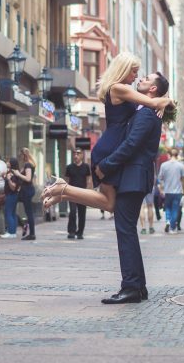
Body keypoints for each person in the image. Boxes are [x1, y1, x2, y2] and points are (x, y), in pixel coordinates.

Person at [42, 53, 173, 211]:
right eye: (134, 71)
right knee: (109, 204)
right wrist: (167, 101)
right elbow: (152, 102)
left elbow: (150, 103)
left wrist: (163, 103)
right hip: (109, 148)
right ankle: (65, 189)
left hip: (111, 145)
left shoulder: (120, 89)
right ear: (123, 70)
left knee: (109, 204)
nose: (136, 76)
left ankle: (64, 193)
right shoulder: (119, 88)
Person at [95, 72, 170, 304]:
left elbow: (130, 145)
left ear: (153, 90)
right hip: (134, 178)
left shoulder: (147, 114)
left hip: (134, 178)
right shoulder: (146, 109)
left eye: (146, 78)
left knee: (125, 231)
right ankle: (138, 287)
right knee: (128, 231)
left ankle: (131, 287)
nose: (141, 79)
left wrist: (105, 166)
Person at [157, 149, 184, 234]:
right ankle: (172, 227)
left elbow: (160, 178)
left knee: (167, 207)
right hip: (177, 192)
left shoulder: (164, 165)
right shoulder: (180, 165)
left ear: (169, 155)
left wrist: (161, 188)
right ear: (177, 155)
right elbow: (183, 180)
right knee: (175, 209)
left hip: (167, 191)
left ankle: (168, 221)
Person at [65, 148, 92, 240]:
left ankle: (80, 232)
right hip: (72, 193)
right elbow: (67, 181)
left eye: (78, 153)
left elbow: (88, 180)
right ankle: (71, 231)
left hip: (83, 193)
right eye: (74, 153)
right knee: (72, 212)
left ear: (82, 155)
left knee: (82, 213)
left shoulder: (86, 167)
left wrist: (88, 191)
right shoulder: (69, 167)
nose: (75, 155)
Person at [14, 147, 37, 240]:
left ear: (24, 155)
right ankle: (25, 226)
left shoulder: (28, 165)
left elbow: (28, 178)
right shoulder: (27, 164)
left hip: (27, 190)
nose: (20, 157)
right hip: (26, 190)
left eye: (21, 155)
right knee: (28, 212)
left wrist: (18, 174)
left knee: (29, 213)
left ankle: (31, 233)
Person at [0, 157, 22, 239]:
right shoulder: (12, 172)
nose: (7, 162)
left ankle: (11, 232)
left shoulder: (13, 173)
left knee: (8, 213)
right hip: (13, 195)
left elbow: (13, 187)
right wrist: (5, 177)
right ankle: (13, 232)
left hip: (11, 194)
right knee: (12, 213)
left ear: (12, 163)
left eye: (8, 161)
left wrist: (8, 179)